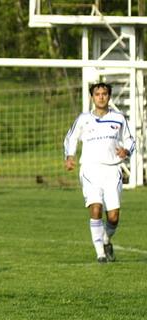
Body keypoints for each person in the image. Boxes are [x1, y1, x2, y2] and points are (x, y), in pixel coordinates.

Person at [64, 82, 134, 264]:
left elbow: (130, 140)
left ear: (109, 97)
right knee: (95, 208)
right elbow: (71, 137)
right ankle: (100, 254)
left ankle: (106, 240)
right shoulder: (83, 119)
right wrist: (70, 156)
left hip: (112, 170)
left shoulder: (118, 118)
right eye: (97, 94)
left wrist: (126, 151)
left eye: (104, 94)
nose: (101, 97)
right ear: (92, 97)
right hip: (90, 169)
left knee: (113, 216)